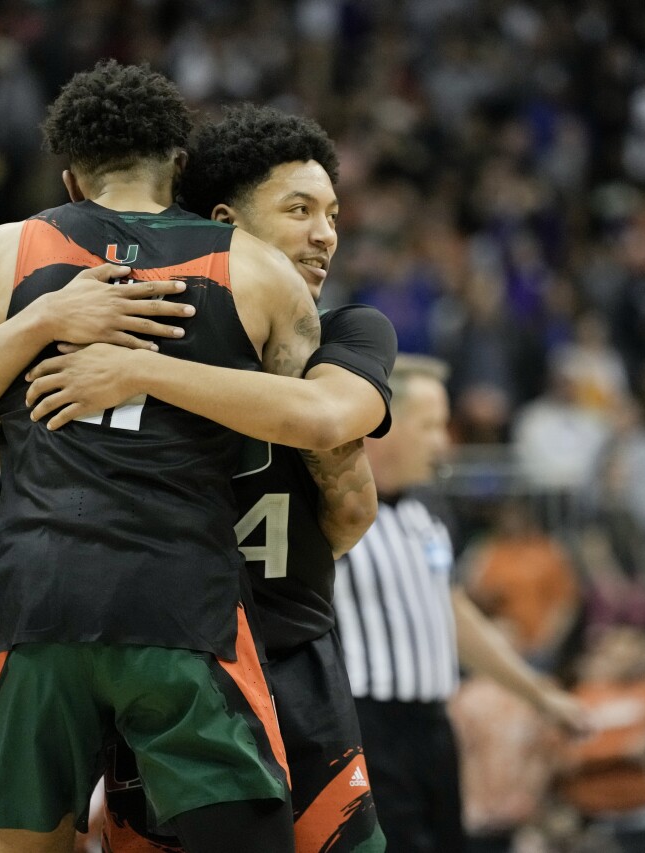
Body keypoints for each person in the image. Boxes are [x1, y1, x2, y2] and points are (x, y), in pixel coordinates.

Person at [0, 61, 325, 853]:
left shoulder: (8, 251)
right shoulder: (254, 267)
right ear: (179, 165)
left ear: (69, 178)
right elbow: (313, 428)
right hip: (178, 598)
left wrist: (41, 321)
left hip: (39, 599)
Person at [87, 104, 395, 853]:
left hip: (282, 651)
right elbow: (347, 506)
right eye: (299, 210)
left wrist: (144, 371)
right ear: (225, 220)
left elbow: (336, 438)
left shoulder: (346, 329)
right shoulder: (138, 327)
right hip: (181, 663)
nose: (326, 233)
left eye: (332, 213)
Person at [332, 354, 586, 853]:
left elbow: (454, 615)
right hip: (367, 726)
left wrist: (538, 694)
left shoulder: (429, 511)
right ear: (384, 425)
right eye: (430, 426)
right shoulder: (336, 509)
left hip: (434, 725)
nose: (443, 442)